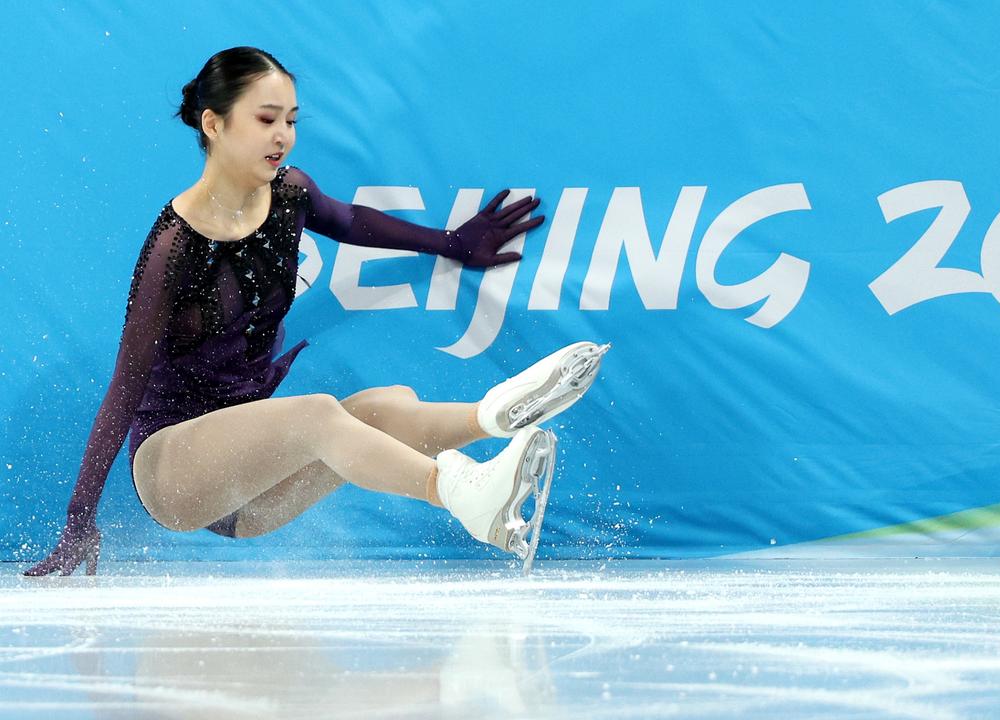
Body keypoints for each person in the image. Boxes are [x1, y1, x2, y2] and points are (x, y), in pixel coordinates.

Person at [22, 46, 607, 577]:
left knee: (382, 406)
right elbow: (125, 387)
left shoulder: (289, 194)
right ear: (213, 123)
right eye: (266, 119)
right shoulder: (174, 245)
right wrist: (79, 520)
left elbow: (351, 222)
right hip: (172, 471)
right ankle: (461, 492)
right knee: (319, 416)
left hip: (244, 502)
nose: (283, 136)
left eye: (291, 121)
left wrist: (452, 243)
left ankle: (494, 416)